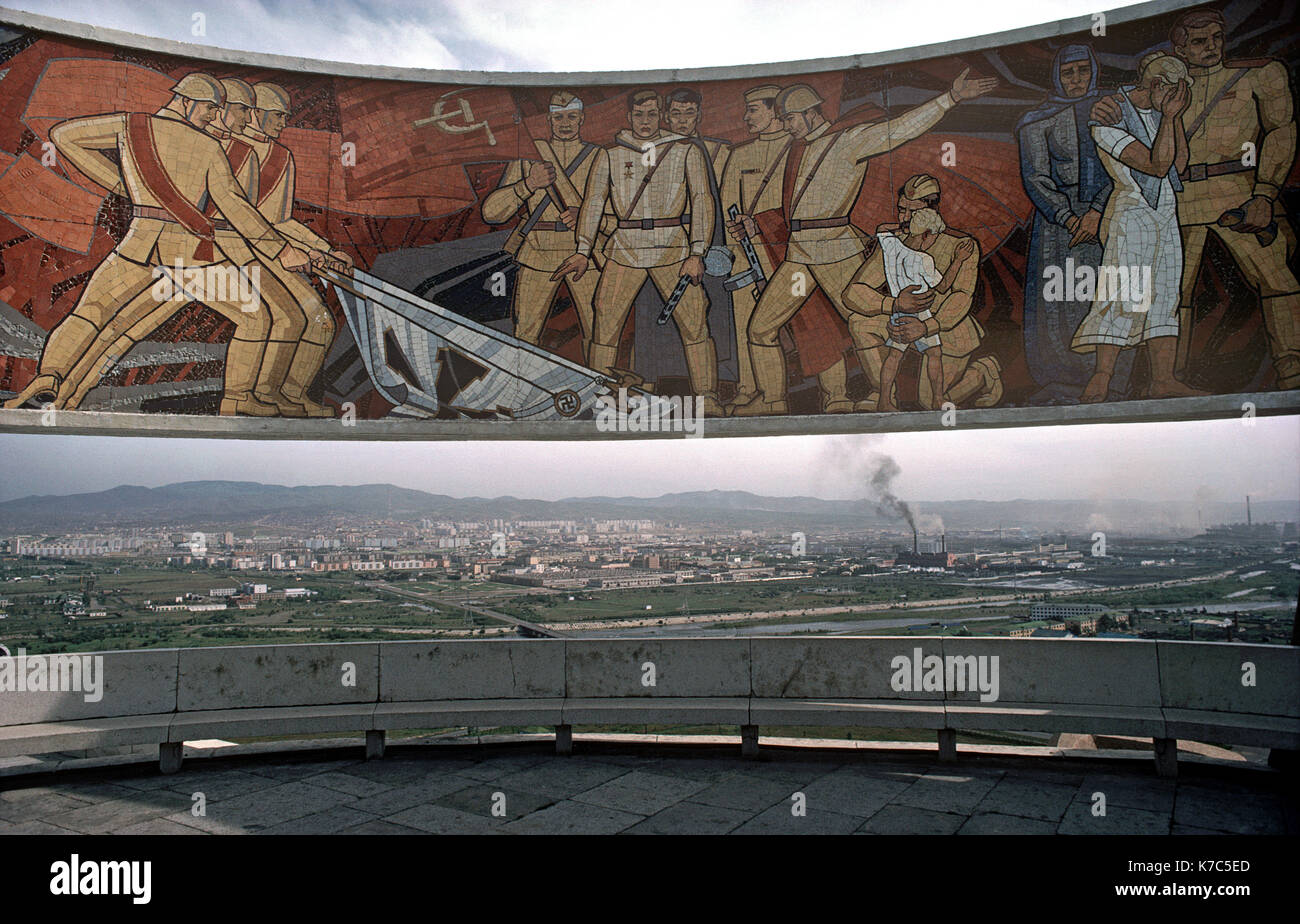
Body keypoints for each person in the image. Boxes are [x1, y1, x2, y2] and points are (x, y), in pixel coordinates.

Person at [4, 73, 311, 416]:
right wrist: (282, 250)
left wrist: (123, 185)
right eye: (209, 108)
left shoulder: (132, 126)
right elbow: (235, 206)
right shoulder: (208, 147)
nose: (213, 116)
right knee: (257, 319)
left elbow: (63, 136)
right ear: (185, 100)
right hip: (190, 257)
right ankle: (238, 400)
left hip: (139, 245)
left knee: (90, 314)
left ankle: (49, 376)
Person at [552, 89, 723, 415]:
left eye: (651, 114)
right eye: (639, 115)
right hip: (625, 247)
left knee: (695, 321)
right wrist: (583, 250)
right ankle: (599, 395)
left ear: (661, 115)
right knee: (605, 320)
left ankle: (708, 397)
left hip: (673, 245)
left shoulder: (685, 151)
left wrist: (697, 251)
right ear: (629, 117)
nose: (645, 121)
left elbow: (703, 200)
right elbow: (593, 204)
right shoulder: (610, 155)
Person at [1070, 53, 1202, 402]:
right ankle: (1101, 379)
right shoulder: (1109, 117)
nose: (1177, 98)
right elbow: (1156, 166)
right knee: (1122, 297)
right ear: (1158, 85)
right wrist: (1170, 116)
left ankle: (1163, 380)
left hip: (1164, 214)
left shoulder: (1162, 116)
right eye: (1174, 90)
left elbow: (1180, 166)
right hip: (1130, 217)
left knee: (1164, 296)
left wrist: (1172, 119)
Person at [1016, 44, 1130, 402]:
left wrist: (1097, 210)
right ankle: (1063, 377)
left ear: (1093, 71)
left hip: (1109, 213)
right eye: (1069, 73)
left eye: (1083, 70)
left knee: (1109, 293)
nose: (1077, 79)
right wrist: (1067, 216)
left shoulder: (1114, 111)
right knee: (1059, 299)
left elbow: (1123, 163)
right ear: (1058, 77)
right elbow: (1036, 176)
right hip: (1057, 225)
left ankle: (1112, 377)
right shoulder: (1037, 121)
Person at [481, 90, 602, 361]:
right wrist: (528, 184)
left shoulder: (598, 157)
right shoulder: (530, 157)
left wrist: (584, 214)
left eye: (571, 116)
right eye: (559, 118)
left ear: (582, 119)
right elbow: (492, 213)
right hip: (538, 251)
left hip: (584, 254)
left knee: (599, 332)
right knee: (526, 332)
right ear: (550, 120)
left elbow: (618, 210)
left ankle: (602, 391)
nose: (565, 123)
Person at [874, 209, 977, 411]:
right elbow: (943, 286)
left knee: (894, 356)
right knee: (935, 354)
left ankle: (884, 401)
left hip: (899, 310)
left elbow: (881, 228)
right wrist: (958, 259)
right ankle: (937, 399)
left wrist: (904, 227)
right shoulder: (923, 260)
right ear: (927, 234)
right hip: (920, 312)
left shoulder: (893, 247)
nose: (934, 242)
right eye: (934, 237)